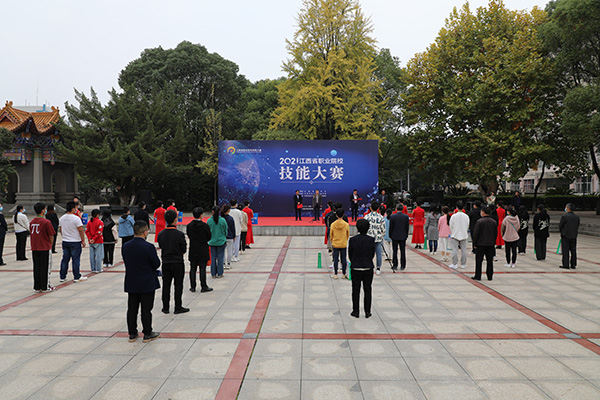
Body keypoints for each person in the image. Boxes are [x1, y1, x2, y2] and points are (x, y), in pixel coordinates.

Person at [123, 220, 160, 343]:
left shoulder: (126, 246)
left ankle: (132, 333)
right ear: (145, 232)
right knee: (146, 309)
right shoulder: (148, 247)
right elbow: (156, 263)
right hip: (146, 282)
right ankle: (147, 333)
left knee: (132, 309)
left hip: (132, 281)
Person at [157, 209, 188, 314]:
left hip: (166, 262)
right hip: (178, 262)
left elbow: (161, 246)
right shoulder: (180, 234)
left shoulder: (161, 234)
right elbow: (183, 249)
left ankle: (165, 307)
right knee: (178, 285)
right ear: (175, 219)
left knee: (166, 285)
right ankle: (178, 307)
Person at [349, 218, 375, 318]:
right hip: (368, 267)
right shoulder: (371, 240)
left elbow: (350, 254)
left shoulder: (353, 240)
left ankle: (356, 311)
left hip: (356, 267)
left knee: (355, 290)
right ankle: (367, 312)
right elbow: (372, 254)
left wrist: (354, 261)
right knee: (367, 289)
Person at [59, 201, 88, 282]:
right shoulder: (76, 218)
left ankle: (62, 276)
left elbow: (61, 229)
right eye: (75, 208)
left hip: (65, 241)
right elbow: (81, 230)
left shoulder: (61, 218)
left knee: (65, 259)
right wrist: (83, 240)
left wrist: (64, 236)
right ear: (72, 209)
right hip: (75, 241)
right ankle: (76, 276)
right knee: (75, 259)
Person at [30, 203, 56, 292]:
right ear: (42, 210)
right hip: (44, 247)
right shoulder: (46, 222)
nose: (45, 210)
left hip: (35, 247)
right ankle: (45, 286)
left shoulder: (32, 221)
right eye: (44, 209)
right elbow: (51, 235)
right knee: (45, 267)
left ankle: (37, 286)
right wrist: (50, 244)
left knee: (37, 267)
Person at [186, 207, 213, 293]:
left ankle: (193, 286)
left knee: (193, 268)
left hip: (193, 248)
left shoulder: (189, 226)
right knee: (202, 268)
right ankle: (203, 286)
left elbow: (189, 235)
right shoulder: (205, 226)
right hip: (202, 249)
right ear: (201, 215)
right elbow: (209, 236)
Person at [471, 206, 498, 281]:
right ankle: (489, 275)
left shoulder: (479, 221)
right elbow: (495, 233)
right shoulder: (493, 222)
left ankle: (478, 275)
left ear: (483, 212)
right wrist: (493, 241)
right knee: (489, 261)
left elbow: (476, 233)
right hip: (490, 244)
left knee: (479, 260)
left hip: (480, 244)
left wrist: (474, 243)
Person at [363, 201, 385, 275]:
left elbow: (364, 227)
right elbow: (383, 229)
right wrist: (381, 235)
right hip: (378, 238)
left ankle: (368, 266)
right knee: (379, 254)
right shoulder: (381, 217)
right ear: (378, 208)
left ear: (370, 208)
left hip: (369, 238)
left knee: (368, 253)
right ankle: (378, 268)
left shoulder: (367, 217)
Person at [208, 206, 228, 278]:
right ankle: (220, 273)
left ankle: (213, 273)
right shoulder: (222, 220)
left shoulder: (209, 221)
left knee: (213, 258)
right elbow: (226, 230)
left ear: (212, 211)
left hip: (212, 242)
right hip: (221, 241)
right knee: (220, 258)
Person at [449, 201, 469, 269]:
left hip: (455, 234)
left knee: (455, 249)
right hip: (463, 234)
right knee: (464, 250)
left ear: (456, 207)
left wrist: (453, 232)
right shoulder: (466, 216)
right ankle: (463, 264)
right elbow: (467, 225)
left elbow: (451, 225)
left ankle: (454, 263)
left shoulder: (453, 216)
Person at [559, 203, 580, 270]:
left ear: (568, 208)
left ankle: (566, 264)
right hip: (573, 235)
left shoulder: (565, 216)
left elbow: (560, 226)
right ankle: (573, 264)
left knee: (565, 251)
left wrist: (562, 232)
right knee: (573, 250)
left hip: (566, 235)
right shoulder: (577, 217)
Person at [330, 208, 349, 278]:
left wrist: (332, 240)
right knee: (343, 259)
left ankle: (335, 274)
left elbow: (331, 235)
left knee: (335, 259)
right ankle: (344, 274)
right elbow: (347, 234)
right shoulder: (346, 224)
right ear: (343, 215)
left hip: (335, 244)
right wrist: (344, 240)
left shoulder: (333, 224)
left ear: (336, 215)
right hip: (343, 243)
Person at [389, 204, 409, 271]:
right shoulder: (406, 217)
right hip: (403, 236)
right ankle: (403, 265)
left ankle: (395, 265)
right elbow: (407, 227)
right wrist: (406, 235)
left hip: (394, 236)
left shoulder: (392, 216)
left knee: (395, 251)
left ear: (396, 209)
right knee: (402, 251)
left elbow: (391, 227)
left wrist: (390, 235)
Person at [85, 209, 104, 273]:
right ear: (98, 215)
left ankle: (93, 268)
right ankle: (98, 268)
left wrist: (90, 238)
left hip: (91, 241)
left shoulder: (89, 222)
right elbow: (99, 232)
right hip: (98, 240)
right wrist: (94, 239)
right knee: (99, 255)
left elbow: (87, 231)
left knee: (92, 256)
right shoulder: (100, 222)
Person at [221, 204, 235, 269]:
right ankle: (228, 263)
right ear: (228, 210)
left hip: (223, 236)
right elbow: (233, 228)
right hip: (230, 236)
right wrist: (234, 236)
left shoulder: (221, 218)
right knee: (230, 250)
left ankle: (223, 263)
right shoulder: (230, 218)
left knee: (223, 250)